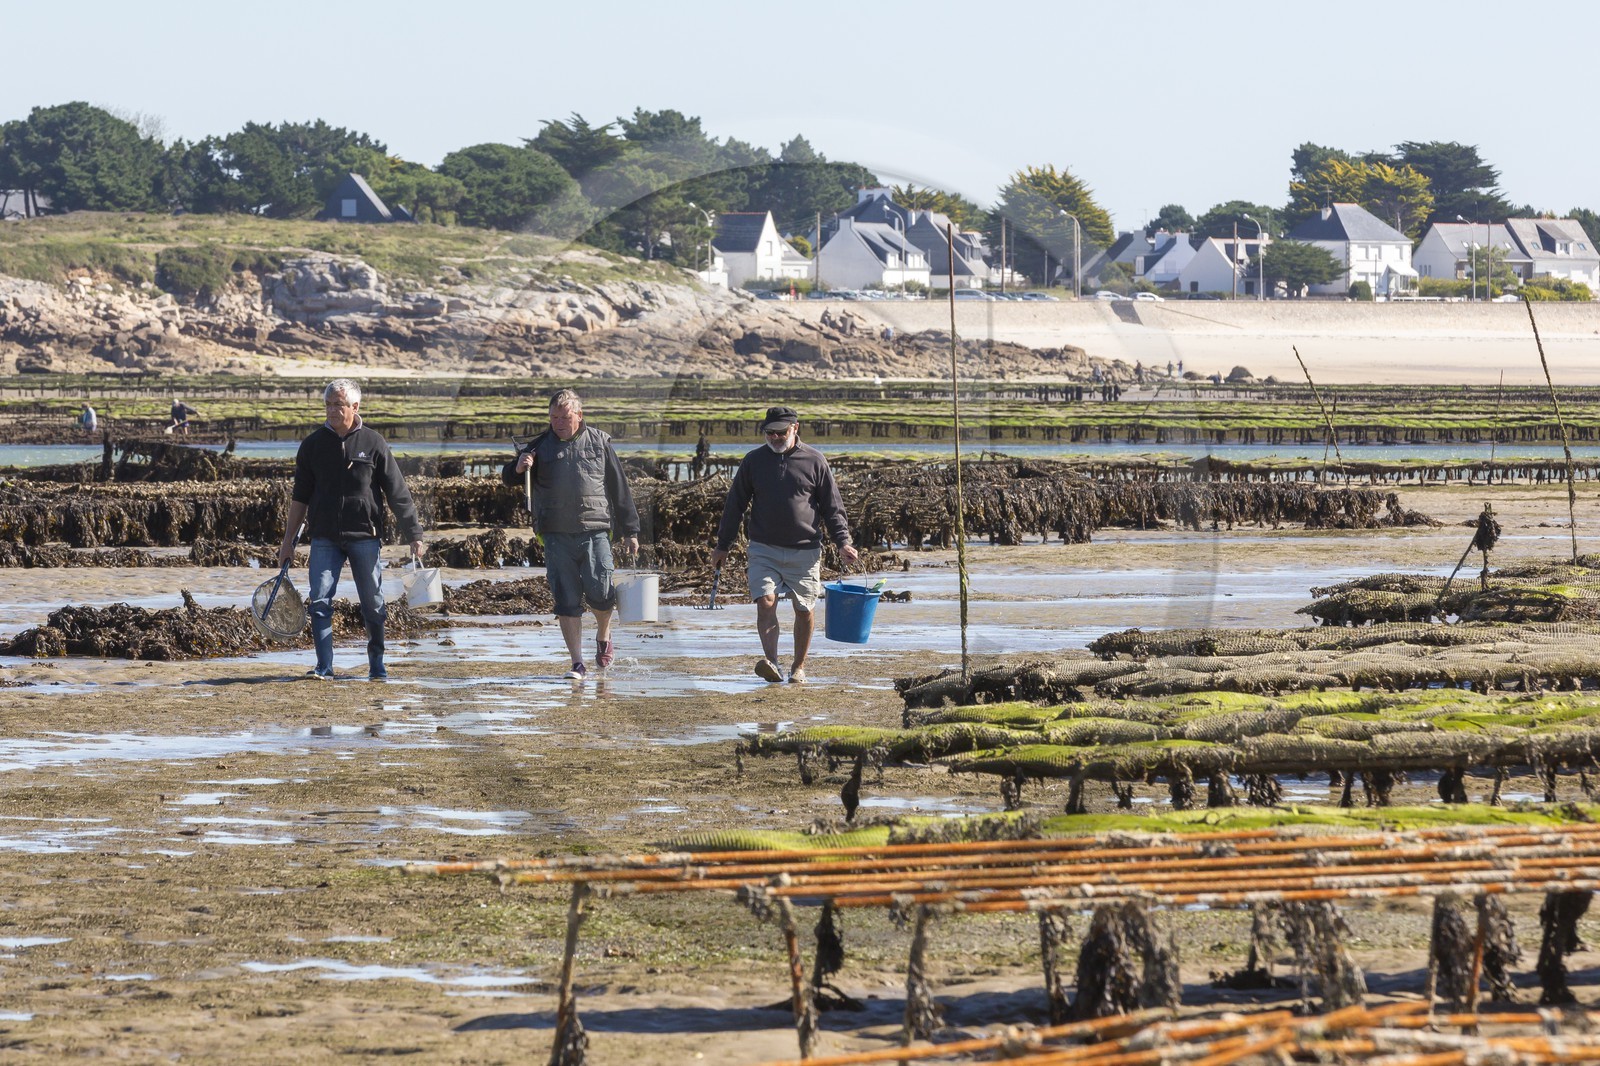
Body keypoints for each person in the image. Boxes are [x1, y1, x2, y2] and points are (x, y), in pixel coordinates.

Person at [277, 379, 424, 681]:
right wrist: (288, 541)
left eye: (339, 404)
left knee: (373, 604)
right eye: (328, 404)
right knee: (319, 601)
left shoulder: (374, 443)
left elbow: (397, 492)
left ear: (355, 407)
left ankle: (377, 664)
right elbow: (300, 497)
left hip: (365, 537)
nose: (332, 410)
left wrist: (414, 534)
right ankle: (324, 666)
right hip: (324, 537)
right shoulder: (313, 445)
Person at [712, 405, 857, 684]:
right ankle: (773, 664)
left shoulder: (815, 460)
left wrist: (843, 542)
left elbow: (832, 507)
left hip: (805, 550)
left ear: (795, 428)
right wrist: (723, 545)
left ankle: (798, 667)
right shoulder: (753, 461)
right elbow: (735, 505)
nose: (775, 437)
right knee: (766, 602)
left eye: (781, 432)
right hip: (763, 548)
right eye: (770, 433)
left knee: (804, 609)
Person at [502, 389, 639, 681]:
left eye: (564, 417)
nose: (558, 423)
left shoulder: (600, 442)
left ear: (579, 415)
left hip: (595, 529)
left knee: (601, 592)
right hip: (555, 533)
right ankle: (577, 663)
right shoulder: (539, 446)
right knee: (566, 598)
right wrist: (518, 467)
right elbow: (508, 478)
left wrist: (631, 530)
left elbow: (620, 488)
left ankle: (603, 635)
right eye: (553, 417)